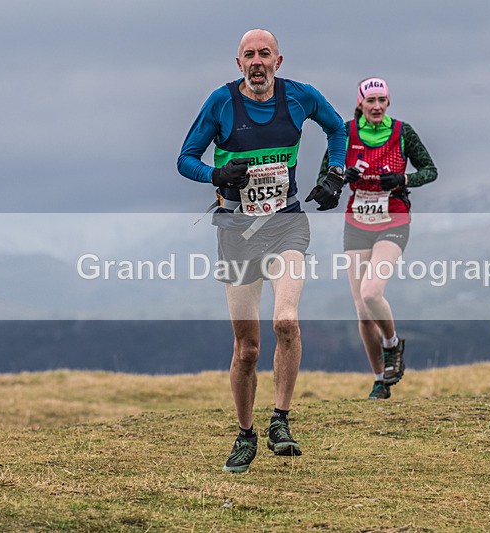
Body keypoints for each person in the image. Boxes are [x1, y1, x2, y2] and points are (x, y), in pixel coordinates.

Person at [177, 29, 346, 473]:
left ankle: (281, 421)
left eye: (264, 54)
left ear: (278, 61)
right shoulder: (221, 103)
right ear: (238, 64)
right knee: (247, 348)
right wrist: (217, 174)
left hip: (286, 224)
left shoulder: (300, 97)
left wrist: (335, 174)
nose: (257, 62)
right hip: (236, 232)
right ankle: (246, 434)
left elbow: (337, 129)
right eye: (248, 55)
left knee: (286, 321)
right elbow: (185, 158)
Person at [318, 77, 437, 399]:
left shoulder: (402, 132)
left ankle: (392, 344)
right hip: (356, 224)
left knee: (372, 293)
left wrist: (404, 177)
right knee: (362, 311)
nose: (377, 106)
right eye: (371, 100)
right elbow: (324, 180)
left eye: (382, 100)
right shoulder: (344, 133)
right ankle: (380, 381)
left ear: (388, 103)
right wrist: (341, 177)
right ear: (360, 103)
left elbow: (430, 170)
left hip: (393, 220)